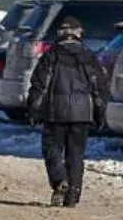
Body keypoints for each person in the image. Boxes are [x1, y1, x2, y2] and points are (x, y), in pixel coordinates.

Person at [27, 18, 106, 207]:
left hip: (56, 112)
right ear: (79, 33)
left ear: (60, 34)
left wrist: (33, 109)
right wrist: (99, 112)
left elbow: (39, 85)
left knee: (52, 148)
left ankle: (59, 179)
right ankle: (72, 197)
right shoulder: (89, 56)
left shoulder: (51, 55)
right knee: (76, 155)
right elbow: (99, 87)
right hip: (82, 114)